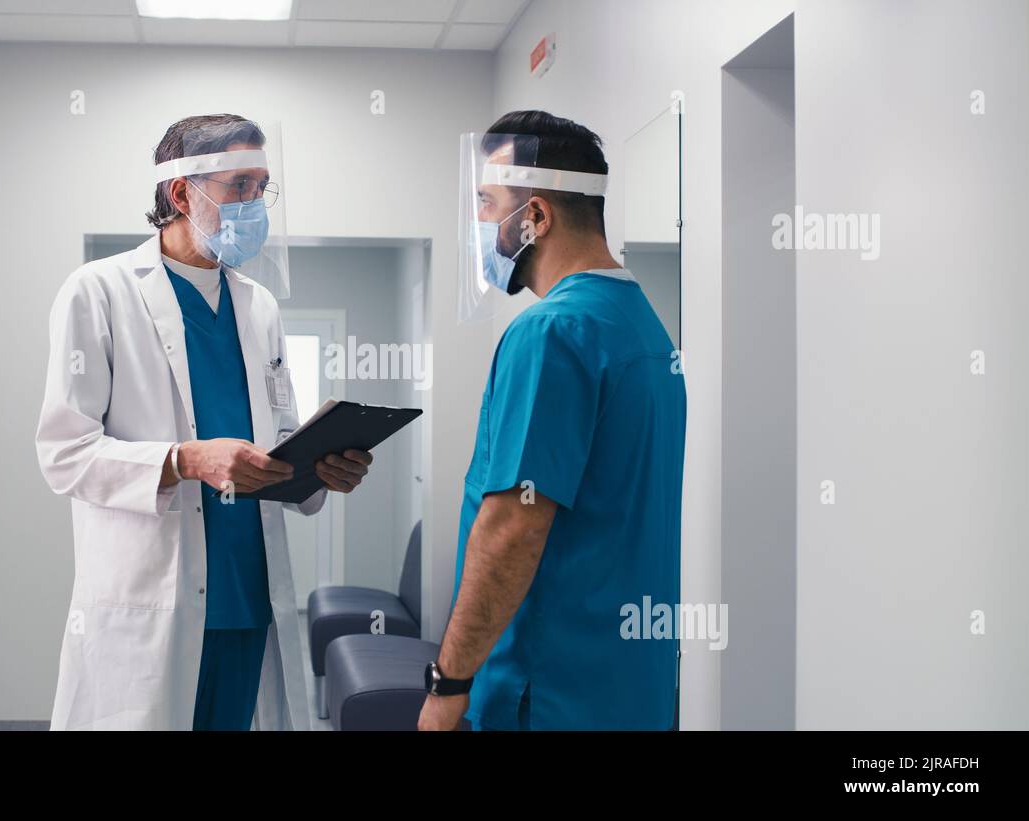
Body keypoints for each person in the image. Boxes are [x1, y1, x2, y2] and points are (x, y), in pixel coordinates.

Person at [35, 113, 372, 730]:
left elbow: (280, 440)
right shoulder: (99, 291)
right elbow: (65, 453)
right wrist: (185, 459)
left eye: (261, 187)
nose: (253, 204)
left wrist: (320, 469)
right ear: (181, 192)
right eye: (237, 186)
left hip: (248, 598)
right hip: (150, 602)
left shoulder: (258, 304)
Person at [419, 110, 687, 731]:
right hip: (628, 691)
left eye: (487, 204)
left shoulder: (550, 331)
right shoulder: (641, 326)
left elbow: (512, 526)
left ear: (536, 215)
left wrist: (448, 684)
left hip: (546, 692)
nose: (479, 224)